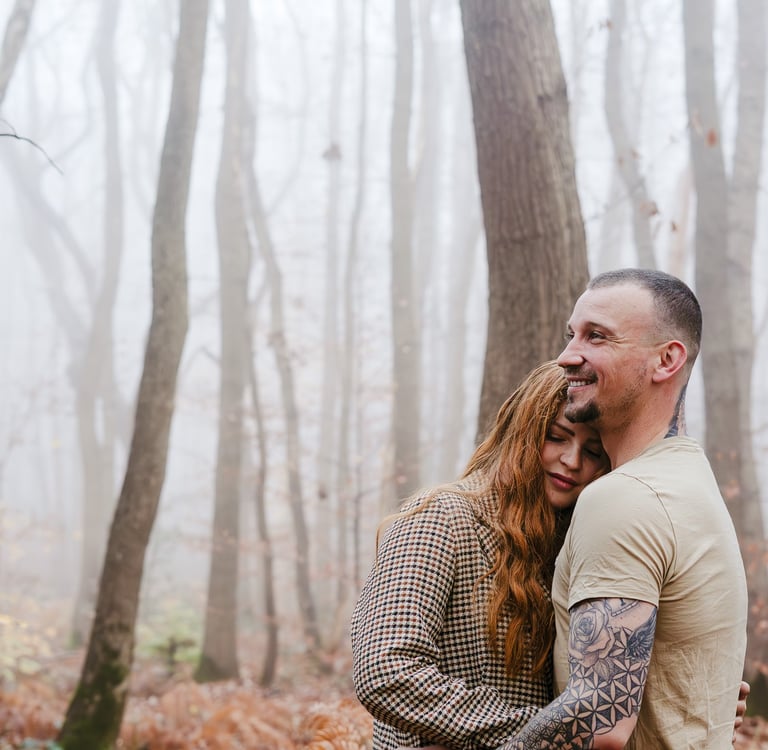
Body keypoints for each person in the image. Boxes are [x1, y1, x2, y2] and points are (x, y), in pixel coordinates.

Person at [497, 268, 749, 749]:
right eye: (572, 335)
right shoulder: (689, 478)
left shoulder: (625, 497)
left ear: (666, 360)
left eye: (597, 337)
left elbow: (599, 724)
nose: (568, 356)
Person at [350, 361, 610, 749]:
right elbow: (385, 670)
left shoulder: (575, 546)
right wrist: (540, 734)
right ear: (522, 432)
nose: (572, 461)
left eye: (592, 451)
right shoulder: (441, 518)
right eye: (557, 437)